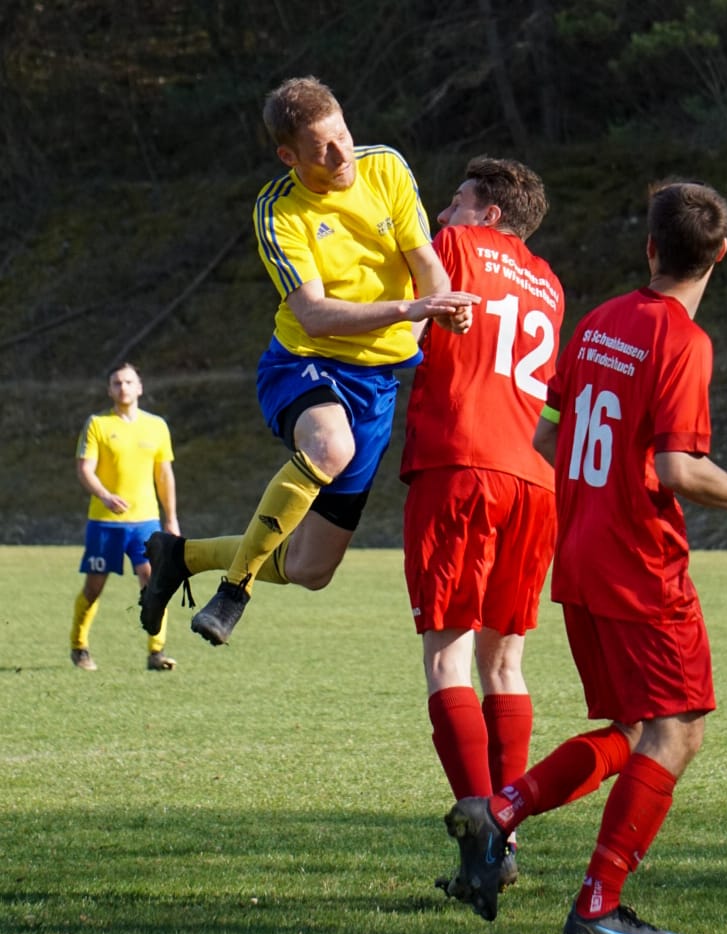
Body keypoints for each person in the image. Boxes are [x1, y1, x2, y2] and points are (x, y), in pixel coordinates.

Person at [441, 179, 727, 934]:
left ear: (650, 248)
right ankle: (595, 906)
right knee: (678, 731)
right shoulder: (685, 342)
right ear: (720, 255)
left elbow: (547, 433)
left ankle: (500, 812)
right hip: (640, 564)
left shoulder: (596, 325)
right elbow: (680, 470)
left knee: (635, 726)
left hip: (579, 555)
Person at [139, 76, 477, 646]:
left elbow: (428, 265)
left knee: (309, 569)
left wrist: (440, 309)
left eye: (344, 134)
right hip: (305, 361)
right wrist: (413, 307)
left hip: (377, 383)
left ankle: (181, 556)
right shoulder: (278, 211)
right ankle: (234, 590)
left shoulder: (386, 167)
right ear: (287, 155)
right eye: (322, 147)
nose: (341, 154)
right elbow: (315, 315)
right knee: (330, 447)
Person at [400, 157, 565, 894]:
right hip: (531, 481)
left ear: (488, 214)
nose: (445, 209)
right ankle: (510, 833)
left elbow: (389, 296)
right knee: (506, 665)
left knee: (447, 659)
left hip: (460, 465)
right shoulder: (551, 284)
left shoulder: (457, 249)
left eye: (458, 200)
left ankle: (481, 840)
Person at [72, 362, 180, 671]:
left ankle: (156, 652)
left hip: (146, 522)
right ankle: (79, 647)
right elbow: (84, 470)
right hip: (105, 523)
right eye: (117, 383)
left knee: (153, 583)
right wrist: (105, 495)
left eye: (129, 382)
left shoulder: (156, 426)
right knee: (94, 588)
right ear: (109, 390)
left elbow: (164, 475)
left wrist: (171, 518)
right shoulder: (97, 425)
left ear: (140, 387)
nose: (123, 388)